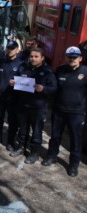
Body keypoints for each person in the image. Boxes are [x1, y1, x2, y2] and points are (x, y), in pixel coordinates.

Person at [42, 46, 87, 177]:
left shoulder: (85, 72)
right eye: (69, 56)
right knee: (55, 136)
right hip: (59, 110)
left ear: (80, 58)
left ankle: (73, 164)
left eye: (75, 57)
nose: (72, 59)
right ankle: (51, 156)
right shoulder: (60, 70)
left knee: (75, 139)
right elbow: (54, 88)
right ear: (66, 57)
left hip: (77, 113)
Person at [10, 48, 57, 164]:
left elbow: (54, 88)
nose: (33, 59)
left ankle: (34, 153)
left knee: (36, 130)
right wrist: (13, 82)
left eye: (36, 56)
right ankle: (21, 147)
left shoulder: (47, 72)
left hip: (38, 107)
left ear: (42, 58)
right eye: (31, 56)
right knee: (23, 128)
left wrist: (43, 89)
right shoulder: (24, 68)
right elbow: (15, 79)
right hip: (23, 104)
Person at [0, 40, 23, 149]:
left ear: (17, 50)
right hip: (0, 95)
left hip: (13, 97)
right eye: (8, 48)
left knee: (12, 121)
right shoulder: (1, 61)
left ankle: (10, 141)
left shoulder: (21, 64)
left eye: (12, 48)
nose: (10, 50)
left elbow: (25, 80)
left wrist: (18, 82)